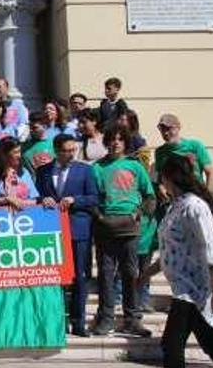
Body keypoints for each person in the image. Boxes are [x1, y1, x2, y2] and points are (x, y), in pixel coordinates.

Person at [142, 155, 213, 368]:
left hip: (195, 288)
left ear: (169, 178)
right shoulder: (175, 206)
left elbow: (211, 247)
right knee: (211, 343)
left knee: (171, 344)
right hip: (184, 287)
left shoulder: (194, 206)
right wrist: (146, 274)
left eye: (161, 177)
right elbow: (171, 251)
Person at [91, 124, 155, 337]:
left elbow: (150, 196)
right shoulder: (97, 167)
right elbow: (91, 198)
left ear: (126, 142)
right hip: (105, 229)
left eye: (120, 139)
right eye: (112, 138)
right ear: (106, 141)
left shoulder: (135, 166)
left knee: (130, 274)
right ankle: (106, 319)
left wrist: (139, 214)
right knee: (106, 276)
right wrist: (99, 216)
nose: (115, 142)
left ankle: (132, 319)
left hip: (130, 229)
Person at [37, 134, 100, 337]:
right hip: (51, 231)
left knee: (80, 277)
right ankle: (59, 320)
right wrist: (42, 199)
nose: (71, 154)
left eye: (74, 150)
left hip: (78, 230)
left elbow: (94, 198)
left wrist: (75, 199)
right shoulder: (43, 171)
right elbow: (35, 195)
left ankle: (78, 322)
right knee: (56, 278)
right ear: (56, 150)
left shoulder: (85, 170)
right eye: (66, 150)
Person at [155, 113, 213, 191]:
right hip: (174, 197)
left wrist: (208, 197)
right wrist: (161, 187)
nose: (165, 133)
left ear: (178, 127)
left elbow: (210, 172)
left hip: (197, 193)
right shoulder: (160, 152)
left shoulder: (195, 146)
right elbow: (160, 177)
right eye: (162, 129)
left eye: (169, 128)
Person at [0, 136, 39, 210]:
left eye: (19, 151)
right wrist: (6, 200)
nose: (19, 156)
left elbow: (34, 200)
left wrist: (19, 202)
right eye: (15, 152)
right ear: (4, 155)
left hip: (25, 217)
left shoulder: (24, 173)